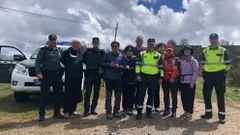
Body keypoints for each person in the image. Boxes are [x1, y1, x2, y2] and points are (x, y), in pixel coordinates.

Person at [200, 33, 231, 124]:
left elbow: (228, 63)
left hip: (220, 76)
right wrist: (205, 73)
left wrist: (224, 73)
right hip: (208, 76)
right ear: (209, 40)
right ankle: (208, 113)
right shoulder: (205, 51)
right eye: (212, 39)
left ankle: (222, 116)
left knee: (220, 96)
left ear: (218, 40)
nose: (213, 41)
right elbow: (202, 63)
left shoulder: (223, 50)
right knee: (206, 94)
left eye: (215, 39)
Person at [35, 34, 64, 122]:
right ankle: (41, 115)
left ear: (56, 41)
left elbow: (65, 61)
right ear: (49, 41)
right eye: (51, 40)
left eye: (54, 40)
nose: (53, 41)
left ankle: (57, 113)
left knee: (58, 95)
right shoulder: (43, 50)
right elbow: (37, 62)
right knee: (44, 95)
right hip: (46, 75)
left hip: (57, 75)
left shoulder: (59, 51)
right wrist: (39, 72)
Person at [135, 38, 163, 120]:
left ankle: (148, 112)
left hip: (153, 78)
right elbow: (138, 65)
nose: (151, 45)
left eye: (152, 44)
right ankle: (139, 112)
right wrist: (138, 74)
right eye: (149, 44)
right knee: (141, 94)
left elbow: (161, 68)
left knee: (151, 95)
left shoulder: (158, 55)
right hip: (143, 77)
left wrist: (161, 77)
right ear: (147, 44)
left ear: (154, 45)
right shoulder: (142, 54)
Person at [101, 41, 124, 120]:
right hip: (109, 78)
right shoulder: (107, 55)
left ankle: (116, 111)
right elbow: (102, 63)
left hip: (118, 79)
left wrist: (119, 66)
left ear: (118, 47)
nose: (114, 47)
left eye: (116, 46)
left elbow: (124, 67)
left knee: (118, 96)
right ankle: (108, 112)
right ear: (111, 47)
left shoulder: (121, 56)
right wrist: (109, 64)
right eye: (113, 46)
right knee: (109, 96)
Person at [60, 40, 84, 118]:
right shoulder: (66, 52)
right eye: (74, 43)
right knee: (68, 94)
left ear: (80, 45)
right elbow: (62, 60)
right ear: (71, 44)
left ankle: (73, 110)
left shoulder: (81, 53)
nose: (75, 45)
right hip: (69, 76)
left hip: (78, 77)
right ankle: (66, 111)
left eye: (77, 43)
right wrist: (70, 67)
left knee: (76, 94)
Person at [83, 37, 105, 117]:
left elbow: (104, 61)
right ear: (92, 43)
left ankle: (93, 109)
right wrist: (89, 65)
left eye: (97, 42)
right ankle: (86, 110)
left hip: (98, 74)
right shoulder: (88, 51)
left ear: (99, 43)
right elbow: (84, 59)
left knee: (96, 93)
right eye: (94, 42)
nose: (95, 43)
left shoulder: (102, 52)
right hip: (89, 73)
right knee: (87, 92)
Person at [179, 45, 199, 120]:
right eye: (185, 50)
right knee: (183, 98)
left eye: (188, 50)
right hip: (183, 82)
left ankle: (190, 113)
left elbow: (195, 71)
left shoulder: (193, 61)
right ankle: (186, 111)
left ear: (191, 51)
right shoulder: (182, 60)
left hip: (190, 82)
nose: (187, 51)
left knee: (190, 98)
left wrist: (192, 82)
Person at [161, 43, 179, 119]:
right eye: (167, 50)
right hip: (165, 79)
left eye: (170, 51)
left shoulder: (176, 59)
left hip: (173, 80)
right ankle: (167, 109)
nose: (169, 52)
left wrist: (172, 77)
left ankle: (174, 110)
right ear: (165, 51)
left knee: (174, 96)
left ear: (172, 51)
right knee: (166, 95)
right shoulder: (163, 59)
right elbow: (162, 69)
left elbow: (176, 69)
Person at [122, 45, 137, 115]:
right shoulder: (123, 59)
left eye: (130, 51)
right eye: (127, 51)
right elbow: (121, 67)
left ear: (132, 52)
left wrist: (130, 68)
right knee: (125, 95)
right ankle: (124, 108)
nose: (129, 52)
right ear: (126, 52)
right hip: (124, 80)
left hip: (132, 80)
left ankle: (131, 108)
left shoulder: (135, 59)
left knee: (131, 95)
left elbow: (136, 69)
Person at [153, 42, 166, 112]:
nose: (163, 48)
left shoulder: (166, 55)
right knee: (156, 91)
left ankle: (167, 107)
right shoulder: (156, 55)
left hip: (166, 75)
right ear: (158, 48)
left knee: (166, 91)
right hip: (157, 75)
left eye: (164, 47)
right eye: (161, 47)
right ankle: (156, 106)